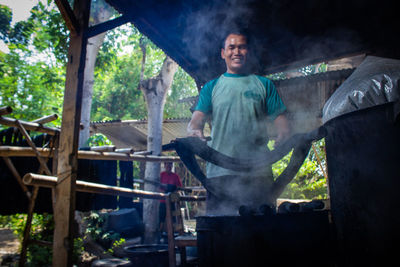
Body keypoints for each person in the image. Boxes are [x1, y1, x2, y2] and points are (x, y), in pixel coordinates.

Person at [187, 31, 290, 215]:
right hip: (219, 174)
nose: (237, 52)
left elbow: (280, 119)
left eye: (241, 47)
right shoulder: (211, 87)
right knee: (222, 232)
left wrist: (283, 133)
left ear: (248, 51)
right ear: (223, 53)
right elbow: (195, 121)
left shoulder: (264, 84)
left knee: (263, 233)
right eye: (231, 47)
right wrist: (194, 130)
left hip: (259, 172)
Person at [158, 162, 182, 232]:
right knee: (161, 219)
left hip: (172, 201)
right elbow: (158, 187)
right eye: (167, 164)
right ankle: (160, 234)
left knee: (173, 219)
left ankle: (173, 234)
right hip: (162, 201)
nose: (168, 166)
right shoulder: (161, 175)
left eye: (170, 164)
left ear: (172, 165)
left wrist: (173, 192)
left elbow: (179, 188)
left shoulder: (175, 176)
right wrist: (163, 192)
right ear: (164, 165)